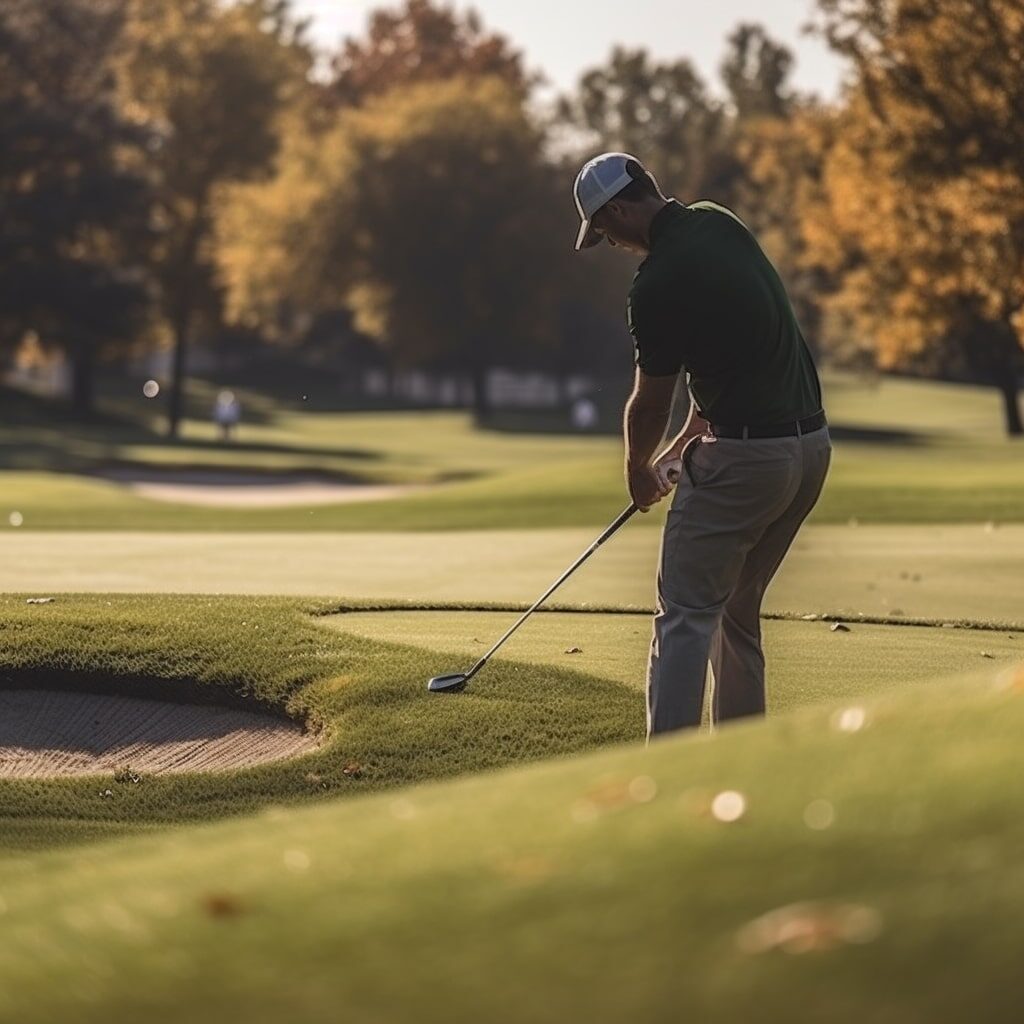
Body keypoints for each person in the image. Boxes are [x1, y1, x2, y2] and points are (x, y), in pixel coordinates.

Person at [573, 152, 831, 738]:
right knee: (735, 614)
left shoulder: (656, 283)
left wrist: (639, 469)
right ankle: (741, 759)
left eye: (604, 230)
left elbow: (651, 400)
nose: (608, 243)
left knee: (687, 615)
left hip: (746, 462)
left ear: (618, 209)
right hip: (809, 451)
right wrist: (689, 439)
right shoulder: (718, 221)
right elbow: (727, 358)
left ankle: (670, 775)